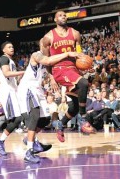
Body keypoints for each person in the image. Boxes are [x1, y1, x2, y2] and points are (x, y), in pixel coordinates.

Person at [18, 38, 79, 163]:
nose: (50, 47)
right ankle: (29, 152)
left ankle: (29, 139)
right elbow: (47, 61)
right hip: (28, 88)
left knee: (45, 119)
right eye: (48, 45)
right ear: (42, 45)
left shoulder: (49, 58)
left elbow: (51, 67)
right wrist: (67, 53)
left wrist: (52, 77)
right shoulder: (36, 55)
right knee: (35, 116)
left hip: (38, 89)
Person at [42, 11, 94, 140]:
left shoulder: (75, 33)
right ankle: (83, 119)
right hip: (59, 69)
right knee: (83, 83)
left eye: (65, 15)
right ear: (55, 19)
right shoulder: (48, 37)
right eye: (60, 15)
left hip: (73, 70)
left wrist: (85, 67)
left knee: (75, 106)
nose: (63, 17)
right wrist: (51, 77)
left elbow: (79, 54)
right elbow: (45, 60)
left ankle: (61, 124)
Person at [0, 41, 25, 156]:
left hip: (13, 91)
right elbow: (6, 73)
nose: (12, 48)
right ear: (4, 50)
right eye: (9, 47)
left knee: (23, 115)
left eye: (12, 46)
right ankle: (0, 141)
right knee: (16, 119)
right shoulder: (3, 58)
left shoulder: (10, 60)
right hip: (7, 92)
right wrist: (23, 72)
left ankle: (31, 139)